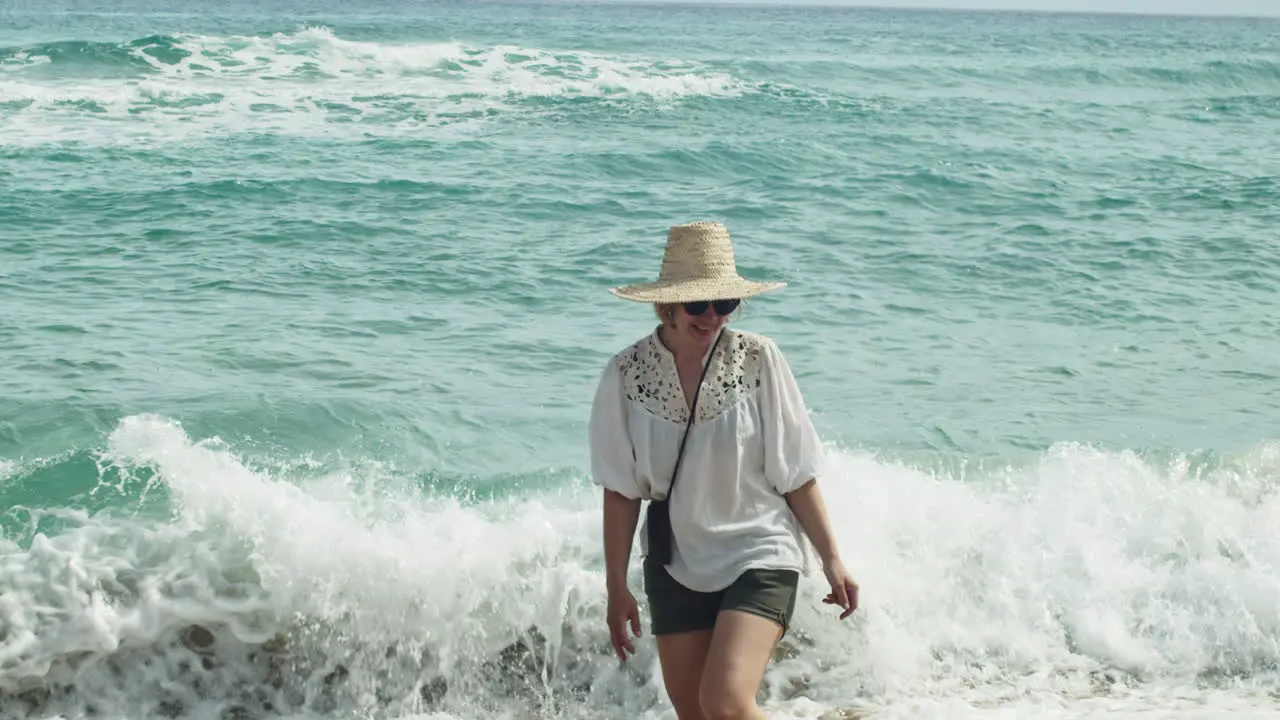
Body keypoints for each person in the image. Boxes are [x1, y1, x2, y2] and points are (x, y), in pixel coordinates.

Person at [588, 221, 858, 720]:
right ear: (666, 304)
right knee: (696, 714)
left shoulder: (758, 359)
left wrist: (832, 558)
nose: (712, 316)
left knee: (727, 704)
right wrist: (615, 586)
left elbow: (796, 472)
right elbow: (621, 491)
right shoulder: (625, 376)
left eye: (725, 304)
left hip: (759, 550)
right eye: (698, 304)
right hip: (675, 565)